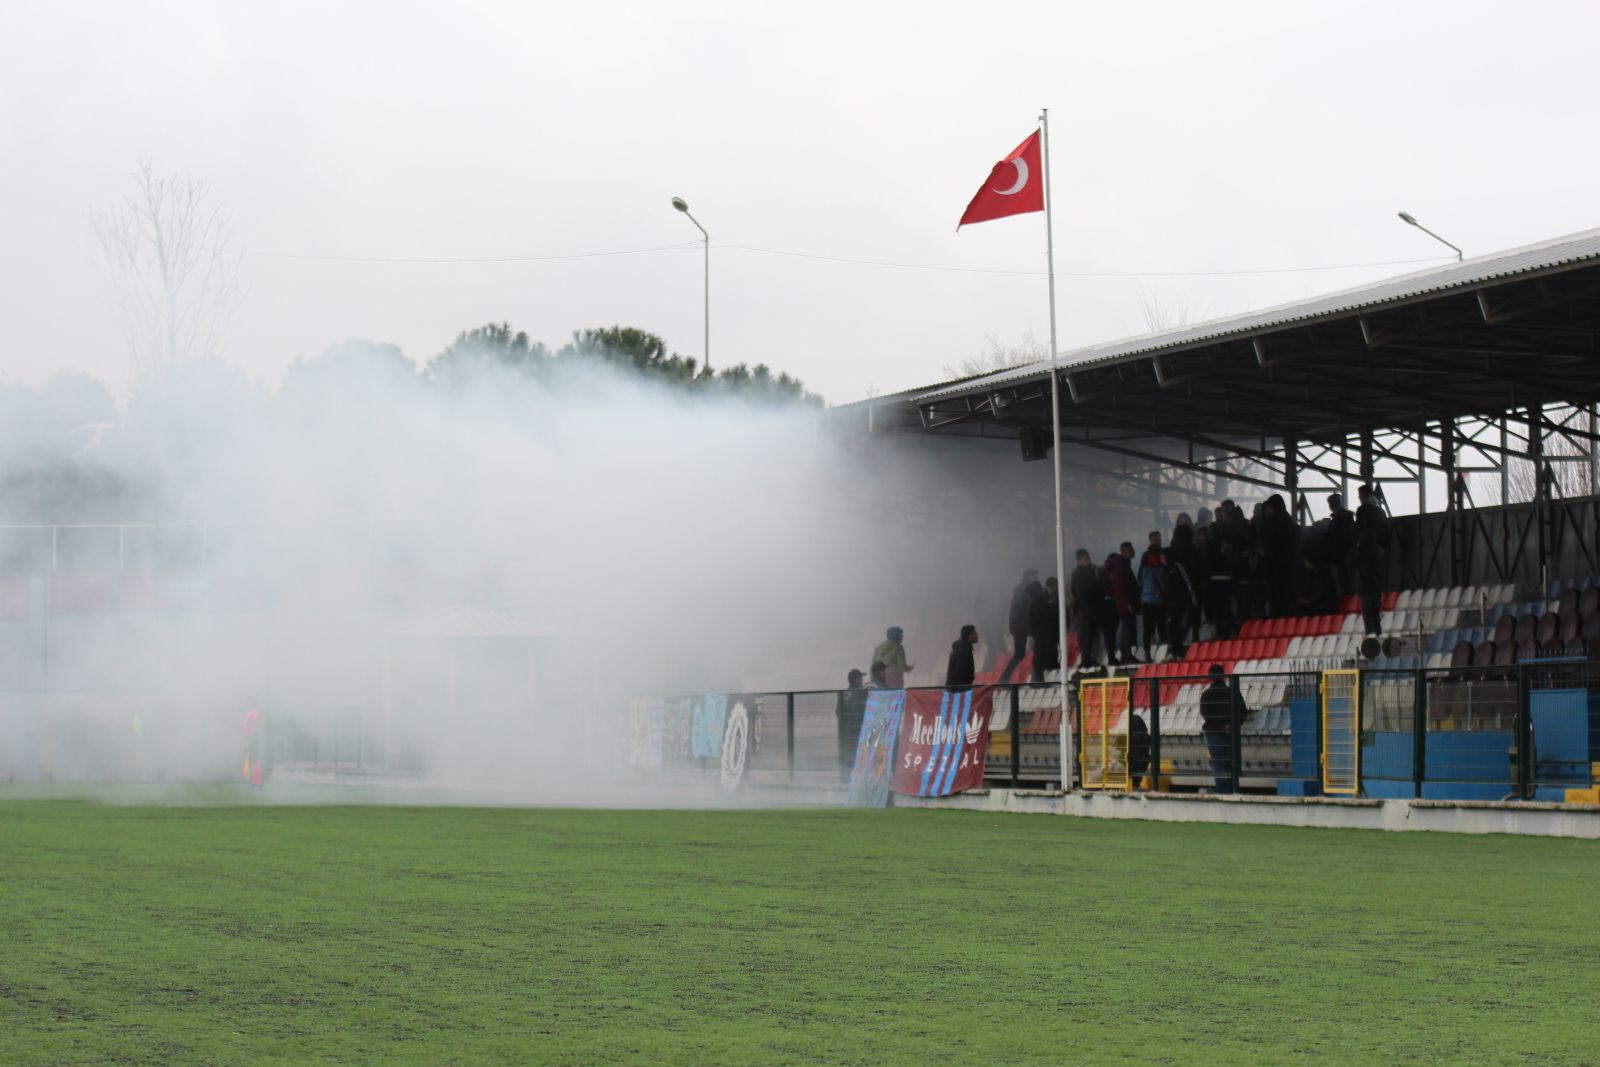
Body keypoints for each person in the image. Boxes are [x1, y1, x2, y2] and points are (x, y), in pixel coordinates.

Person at [1198, 665, 1241, 794]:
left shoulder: (1206, 694)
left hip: (1214, 734)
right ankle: (1233, 791)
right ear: (1223, 675)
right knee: (1231, 764)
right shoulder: (1232, 692)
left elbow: (1206, 714)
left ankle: (1223, 792)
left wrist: (1220, 726)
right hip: (1230, 733)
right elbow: (1242, 712)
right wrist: (1231, 725)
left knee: (1218, 765)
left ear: (1210, 677)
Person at [1354, 484, 1389, 636]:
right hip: (1377, 587)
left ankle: (1371, 641)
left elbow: (1352, 561)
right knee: (1376, 617)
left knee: (1368, 619)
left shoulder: (1363, 511)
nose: (1359, 498)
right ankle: (1378, 638)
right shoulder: (1381, 512)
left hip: (1366, 588)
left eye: (1360, 495)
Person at [1164, 524, 1200, 659]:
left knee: (1173, 624)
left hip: (1175, 597)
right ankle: (1192, 637)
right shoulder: (1191, 548)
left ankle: (1176, 650)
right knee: (1186, 618)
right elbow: (1192, 574)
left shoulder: (1173, 557)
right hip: (1188, 591)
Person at [1001, 570, 1039, 682]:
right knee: (1035, 649)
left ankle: (1004, 677)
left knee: (1020, 654)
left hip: (1019, 627)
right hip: (1023, 627)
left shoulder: (1018, 590)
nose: (1036, 579)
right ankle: (1035, 676)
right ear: (1028, 578)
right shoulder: (1024, 592)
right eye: (1034, 577)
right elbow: (1028, 609)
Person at [1069, 549, 1105, 669]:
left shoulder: (1083, 573)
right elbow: (1083, 592)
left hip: (1087, 610)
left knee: (1091, 636)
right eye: (1086, 559)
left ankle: (1088, 660)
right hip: (1086, 611)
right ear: (1079, 561)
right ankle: (1086, 661)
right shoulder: (1081, 575)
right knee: (1087, 637)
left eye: (1088, 559)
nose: (1088, 561)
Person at [1137, 533, 1167, 661]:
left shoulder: (1145, 568)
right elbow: (1165, 584)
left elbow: (1140, 582)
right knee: (1162, 627)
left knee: (1147, 629)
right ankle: (1164, 651)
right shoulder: (1163, 567)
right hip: (1160, 601)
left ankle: (1147, 654)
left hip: (1146, 601)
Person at [836, 669, 868, 781]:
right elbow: (860, 712)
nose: (862, 681)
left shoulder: (843, 693)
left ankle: (845, 777)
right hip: (857, 731)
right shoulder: (861, 694)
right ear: (857, 680)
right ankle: (857, 779)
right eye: (861, 678)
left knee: (847, 753)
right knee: (857, 754)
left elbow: (838, 712)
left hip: (845, 732)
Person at [1111, 543, 1140, 664]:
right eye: (1130, 549)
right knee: (1127, 630)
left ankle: (1126, 655)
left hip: (1126, 604)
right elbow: (1120, 588)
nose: (1133, 551)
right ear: (1123, 551)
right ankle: (1127, 655)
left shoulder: (1123, 565)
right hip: (1126, 605)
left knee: (1127, 630)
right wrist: (1128, 603)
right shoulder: (1121, 566)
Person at [1030, 577, 1061, 682]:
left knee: (1044, 662)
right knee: (1039, 664)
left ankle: (1043, 683)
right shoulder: (1040, 601)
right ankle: (1038, 685)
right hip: (1044, 637)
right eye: (1055, 587)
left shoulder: (1046, 599)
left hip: (1048, 637)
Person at [1326, 493, 1355, 600]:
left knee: (1341, 585)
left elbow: (1340, 538)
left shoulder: (1339, 519)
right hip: (1342, 556)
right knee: (1345, 584)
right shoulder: (1346, 517)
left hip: (1339, 556)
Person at [946, 624, 978, 689]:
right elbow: (961, 673)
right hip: (960, 690)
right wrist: (965, 688)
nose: (977, 634)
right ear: (969, 636)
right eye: (975, 633)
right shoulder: (964, 651)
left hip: (957, 688)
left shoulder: (962, 649)